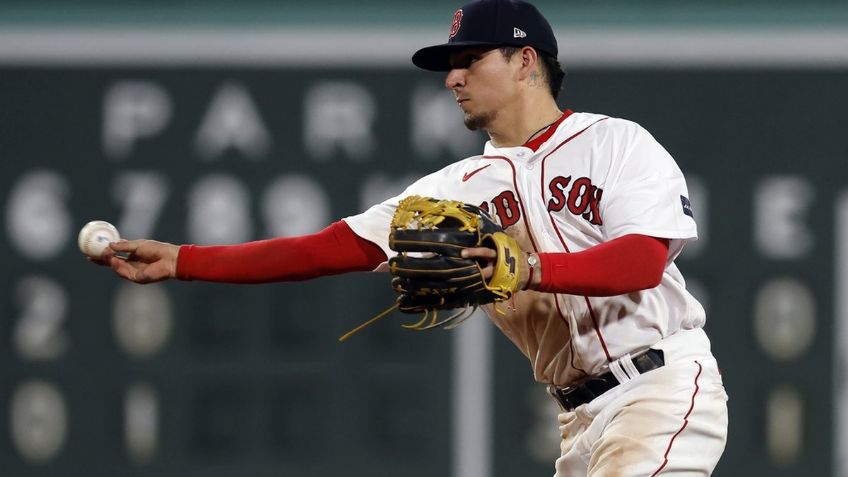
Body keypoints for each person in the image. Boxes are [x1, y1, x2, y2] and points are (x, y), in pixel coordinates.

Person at [96, 0, 729, 475]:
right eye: (449, 66)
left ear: (525, 62)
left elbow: (642, 260)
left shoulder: (615, 143)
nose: (452, 78)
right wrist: (182, 260)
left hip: (660, 384)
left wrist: (531, 270)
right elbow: (325, 249)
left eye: (468, 60)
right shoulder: (457, 186)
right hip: (576, 417)